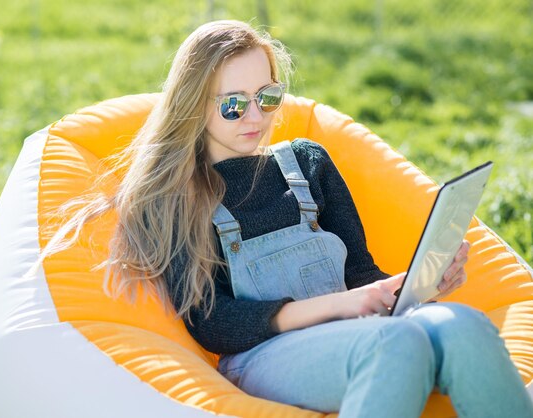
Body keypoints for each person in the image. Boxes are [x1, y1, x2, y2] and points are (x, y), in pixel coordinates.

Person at [38, 20, 533, 417]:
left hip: (361, 329)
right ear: (194, 106)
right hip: (267, 354)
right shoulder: (178, 194)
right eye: (233, 104)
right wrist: (341, 307)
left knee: (462, 324)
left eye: (267, 97)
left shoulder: (308, 161)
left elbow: (359, 274)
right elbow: (214, 323)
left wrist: (417, 286)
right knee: (397, 341)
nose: (255, 116)